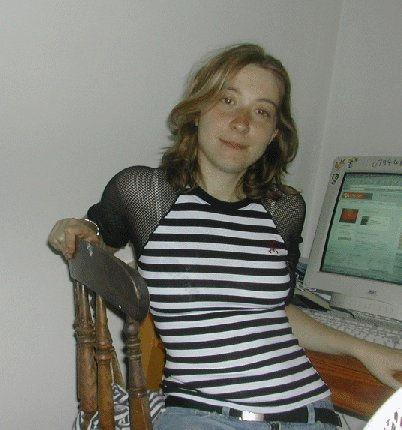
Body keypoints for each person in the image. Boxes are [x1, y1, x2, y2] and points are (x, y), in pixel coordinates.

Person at [48, 44, 402, 430]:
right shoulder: (146, 194)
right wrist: (73, 228)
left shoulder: (283, 208)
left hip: (311, 413)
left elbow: (278, 312)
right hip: (203, 414)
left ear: (274, 133)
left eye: (261, 111)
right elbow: (94, 235)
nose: (241, 123)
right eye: (227, 100)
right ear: (197, 111)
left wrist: (364, 348)